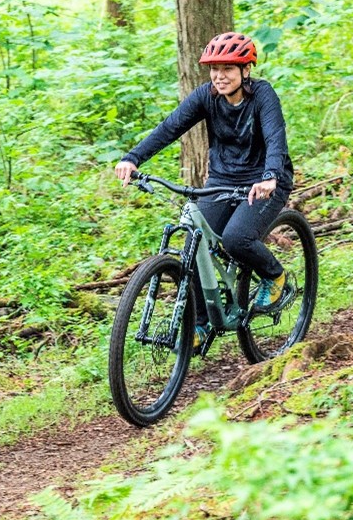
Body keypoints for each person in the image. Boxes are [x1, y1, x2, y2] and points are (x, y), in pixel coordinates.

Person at [114, 31, 296, 349]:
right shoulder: (206, 97)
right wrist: (133, 158)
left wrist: (270, 176)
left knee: (237, 238)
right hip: (222, 182)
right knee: (192, 244)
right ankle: (200, 324)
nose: (219, 75)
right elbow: (170, 127)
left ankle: (275, 276)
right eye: (214, 68)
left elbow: (275, 136)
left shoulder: (263, 95)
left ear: (246, 70)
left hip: (265, 183)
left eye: (227, 68)